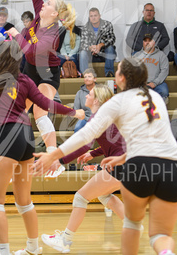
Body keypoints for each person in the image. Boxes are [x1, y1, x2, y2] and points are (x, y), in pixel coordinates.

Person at [33, 57, 177, 255]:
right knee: (160, 235)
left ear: (121, 78)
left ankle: (66, 239)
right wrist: (121, 157)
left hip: (138, 165)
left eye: (118, 71)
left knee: (128, 224)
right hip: (173, 166)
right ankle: (166, 252)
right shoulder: (156, 97)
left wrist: (55, 157)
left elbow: (85, 137)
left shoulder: (116, 102)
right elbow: (153, 137)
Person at [0, 40, 84, 255]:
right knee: (24, 201)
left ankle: (3, 251)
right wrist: (72, 112)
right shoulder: (24, 80)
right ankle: (33, 247)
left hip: (6, 137)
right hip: (26, 138)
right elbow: (46, 103)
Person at [6, 0, 77, 156]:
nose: (44, 3)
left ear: (54, 13)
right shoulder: (39, 15)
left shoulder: (55, 33)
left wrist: (17, 34)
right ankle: (14, 157)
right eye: (45, 3)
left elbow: (31, 52)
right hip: (30, 71)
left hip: (47, 74)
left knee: (39, 113)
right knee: (17, 113)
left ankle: (53, 158)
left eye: (48, 4)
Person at [41, 84, 126, 253]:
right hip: (130, 164)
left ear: (97, 100)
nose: (86, 96)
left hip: (121, 164)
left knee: (80, 198)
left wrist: (60, 160)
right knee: (104, 195)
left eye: (90, 94)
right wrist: (93, 154)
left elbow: (83, 144)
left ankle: (65, 240)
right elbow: (113, 142)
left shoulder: (98, 118)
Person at [78, 7, 116, 77]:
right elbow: (83, 44)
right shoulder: (86, 27)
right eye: (91, 16)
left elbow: (112, 38)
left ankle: (109, 73)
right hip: (91, 54)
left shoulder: (107, 24)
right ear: (89, 17)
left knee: (110, 48)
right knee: (82, 52)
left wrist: (100, 45)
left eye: (95, 15)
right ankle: (85, 74)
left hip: (104, 52)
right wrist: (91, 48)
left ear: (99, 16)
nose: (93, 18)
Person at [140, 34, 170, 101]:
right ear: (143, 43)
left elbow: (164, 71)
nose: (147, 42)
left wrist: (155, 83)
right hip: (141, 84)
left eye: (149, 41)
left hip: (158, 83)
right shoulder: (136, 56)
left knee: (164, 91)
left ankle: (161, 110)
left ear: (154, 42)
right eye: (145, 41)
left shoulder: (161, 55)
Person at [72, 68, 96, 132]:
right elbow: (77, 110)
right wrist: (87, 119)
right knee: (78, 127)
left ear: (95, 79)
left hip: (99, 118)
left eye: (89, 76)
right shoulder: (79, 93)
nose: (87, 78)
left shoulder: (100, 91)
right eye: (85, 77)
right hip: (84, 119)